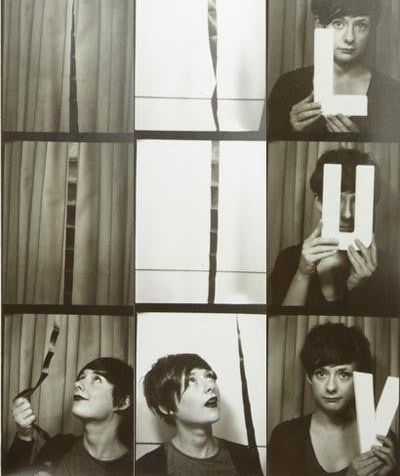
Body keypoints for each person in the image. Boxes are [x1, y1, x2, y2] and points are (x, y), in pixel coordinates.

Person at [268, 0, 400, 141]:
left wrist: (360, 139)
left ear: (371, 30)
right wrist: (290, 129)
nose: (349, 38)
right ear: (319, 25)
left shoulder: (392, 92)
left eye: (360, 25)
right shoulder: (288, 85)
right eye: (338, 23)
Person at [268, 148, 397, 312]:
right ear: (319, 202)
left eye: (357, 200)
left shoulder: (388, 268)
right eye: (338, 200)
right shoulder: (289, 259)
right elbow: (280, 315)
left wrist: (359, 288)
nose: (347, 214)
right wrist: (302, 274)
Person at [268, 322, 398, 476]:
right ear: (309, 377)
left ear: (359, 378)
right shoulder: (285, 436)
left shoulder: (383, 440)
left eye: (343, 374)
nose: (331, 387)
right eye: (321, 374)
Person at [136, 353, 263, 476]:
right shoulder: (147, 467)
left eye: (209, 376)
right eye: (192, 380)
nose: (210, 386)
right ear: (166, 407)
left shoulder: (245, 458)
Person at [4, 357, 133, 475]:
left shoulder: (132, 468)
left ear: (123, 403)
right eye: (82, 377)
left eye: (97, 379)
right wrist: (24, 435)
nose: (77, 384)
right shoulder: (58, 446)